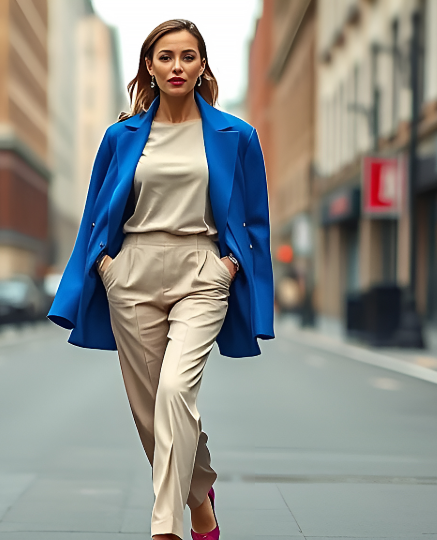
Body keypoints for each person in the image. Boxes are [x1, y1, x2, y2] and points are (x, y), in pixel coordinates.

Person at [48, 19, 274, 540]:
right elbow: (95, 214)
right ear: (149, 65)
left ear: (202, 66)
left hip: (202, 269)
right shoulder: (120, 136)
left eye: (188, 56)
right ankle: (201, 499)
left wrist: (231, 267)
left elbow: (255, 219)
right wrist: (103, 267)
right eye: (166, 57)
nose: (177, 66)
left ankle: (165, 528)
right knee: (152, 407)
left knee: (175, 390)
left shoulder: (236, 136)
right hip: (131, 271)